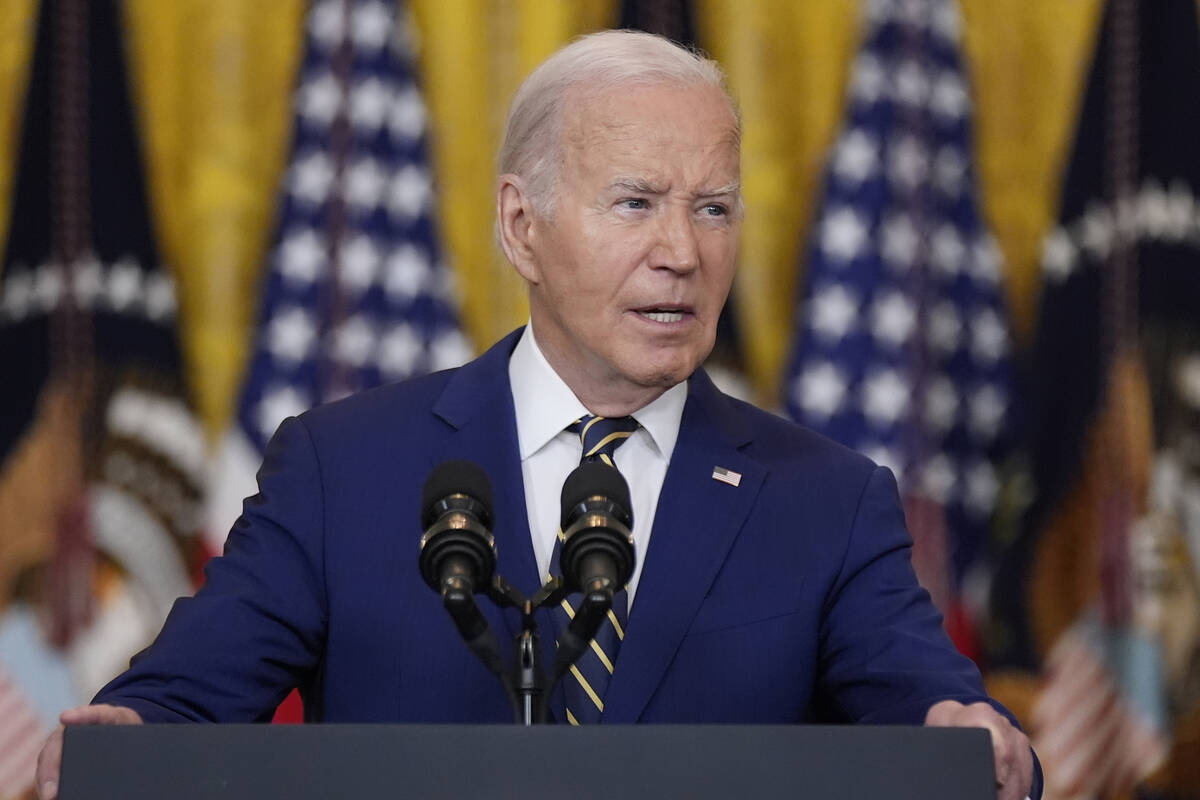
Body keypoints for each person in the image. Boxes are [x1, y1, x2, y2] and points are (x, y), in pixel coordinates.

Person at [35, 30, 1040, 800]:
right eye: (636, 202)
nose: (683, 252)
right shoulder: (347, 470)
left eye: (714, 207)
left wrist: (977, 732)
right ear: (522, 224)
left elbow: (944, 719)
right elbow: (177, 702)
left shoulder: (826, 499)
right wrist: (119, 729)